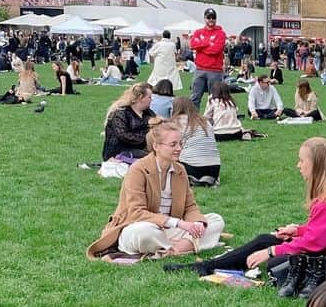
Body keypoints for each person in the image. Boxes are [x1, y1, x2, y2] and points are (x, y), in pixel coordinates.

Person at [165, 137, 326, 299]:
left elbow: (315, 243)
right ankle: (208, 265)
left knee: (273, 259)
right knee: (266, 240)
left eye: (301, 160)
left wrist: (271, 252)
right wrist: (296, 231)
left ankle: (208, 266)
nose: (298, 165)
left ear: (315, 164)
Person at [87, 120, 225, 261]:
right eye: (173, 144)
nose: (178, 148)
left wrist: (198, 223)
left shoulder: (180, 170)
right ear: (156, 146)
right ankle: (186, 245)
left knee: (215, 220)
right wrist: (179, 223)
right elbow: (137, 213)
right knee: (144, 232)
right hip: (138, 227)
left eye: (180, 143)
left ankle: (174, 250)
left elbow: (190, 207)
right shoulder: (138, 170)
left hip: (168, 231)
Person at [171, 96, 222, 186]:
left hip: (192, 166)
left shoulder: (176, 122)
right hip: (214, 167)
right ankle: (208, 178)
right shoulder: (205, 121)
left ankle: (190, 177)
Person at [101, 83, 153, 162]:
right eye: (149, 97)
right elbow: (124, 136)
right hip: (119, 151)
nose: (151, 100)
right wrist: (146, 138)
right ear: (141, 98)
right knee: (152, 158)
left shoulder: (148, 113)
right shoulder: (120, 113)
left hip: (141, 148)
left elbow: (158, 125)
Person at [189, 8, 227, 106]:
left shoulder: (221, 33)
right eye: (208, 17)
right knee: (194, 97)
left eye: (213, 17)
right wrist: (208, 43)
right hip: (199, 69)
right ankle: (194, 120)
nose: (211, 19)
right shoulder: (198, 32)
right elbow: (192, 45)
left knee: (215, 99)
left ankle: (213, 119)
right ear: (205, 18)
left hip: (215, 70)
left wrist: (201, 47)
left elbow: (216, 50)